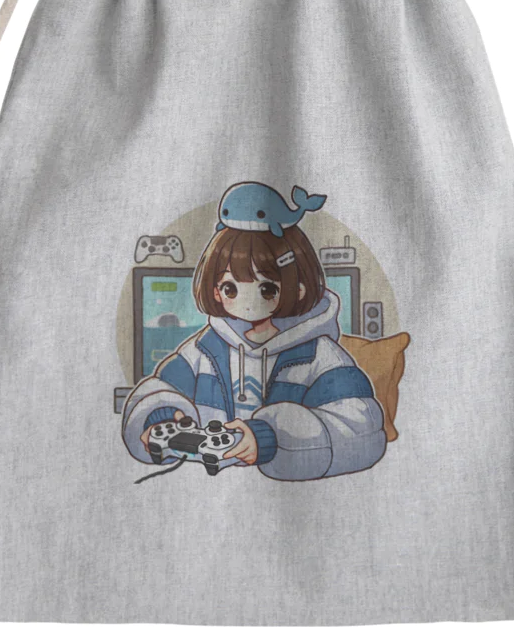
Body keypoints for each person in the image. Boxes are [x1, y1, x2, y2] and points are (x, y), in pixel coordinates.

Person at [122, 185, 387, 481]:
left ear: (298, 289)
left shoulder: (320, 355)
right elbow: (159, 388)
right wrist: (161, 416)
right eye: (231, 288)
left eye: (267, 289)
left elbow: (360, 430)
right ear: (215, 291)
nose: (248, 303)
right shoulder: (204, 348)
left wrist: (270, 439)